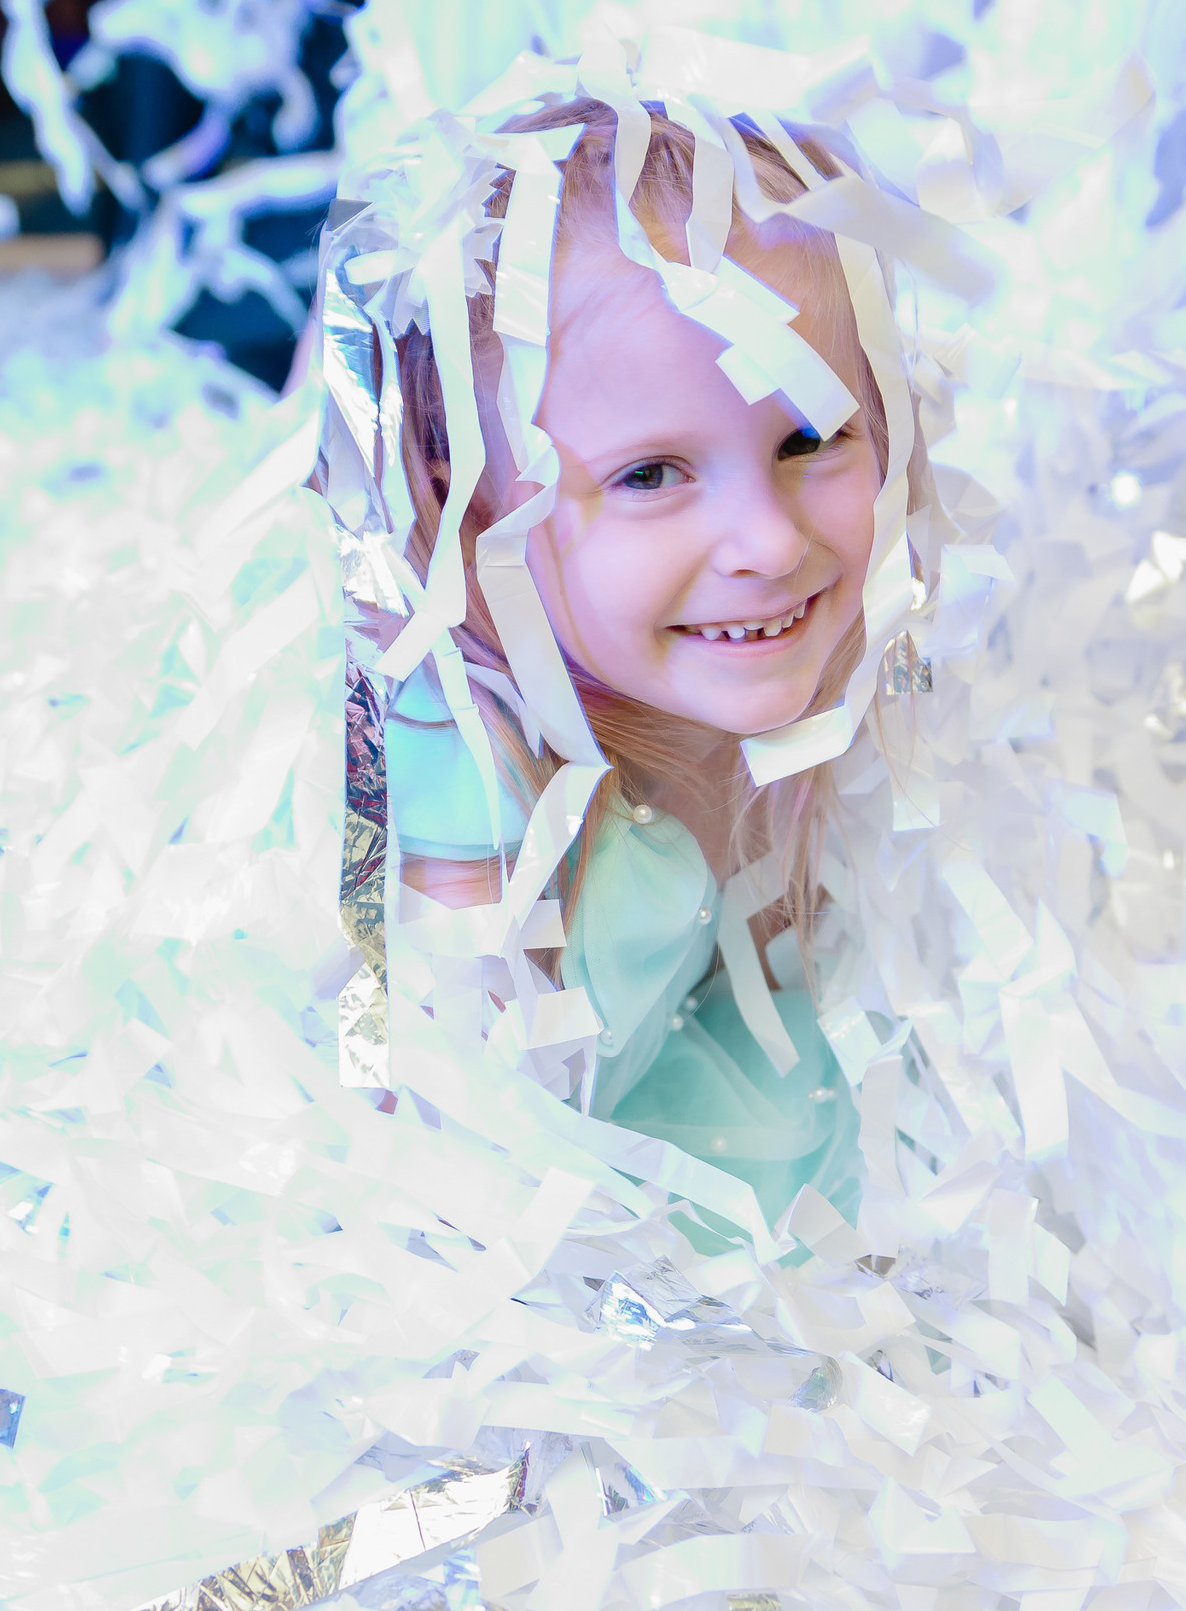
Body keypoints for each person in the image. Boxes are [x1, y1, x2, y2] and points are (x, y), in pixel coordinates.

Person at [310, 64, 939, 1245]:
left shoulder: (805, 674)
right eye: (651, 474)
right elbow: (419, 1198)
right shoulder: (460, 796)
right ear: (468, 501)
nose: (768, 540)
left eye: (812, 435)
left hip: (672, 1095)